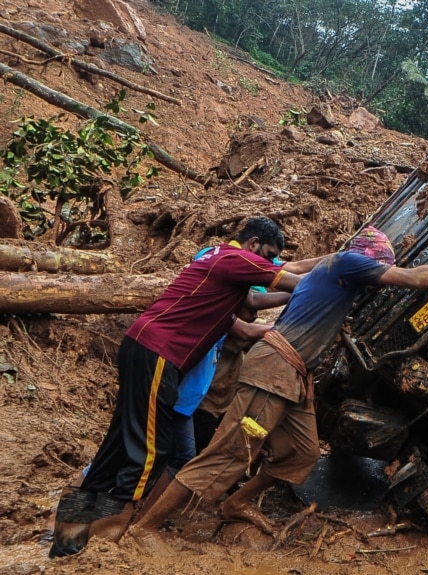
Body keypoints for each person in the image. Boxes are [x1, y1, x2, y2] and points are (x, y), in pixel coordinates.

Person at [128, 226, 428, 543]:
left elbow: (303, 275)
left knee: (302, 454)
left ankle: (235, 503)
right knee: (228, 454)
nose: (379, 273)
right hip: (274, 369)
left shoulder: (335, 272)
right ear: (365, 259)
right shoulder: (347, 263)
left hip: (294, 376)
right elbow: (412, 278)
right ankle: (145, 528)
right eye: (378, 266)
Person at [49, 216, 325, 558]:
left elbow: (275, 283)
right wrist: (342, 277)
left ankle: (69, 534)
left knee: (122, 438)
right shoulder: (235, 259)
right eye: (267, 256)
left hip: (144, 344)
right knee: (151, 447)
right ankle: (107, 537)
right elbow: (299, 282)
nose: (268, 264)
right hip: (160, 351)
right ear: (253, 244)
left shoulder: (222, 263)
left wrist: (333, 261)